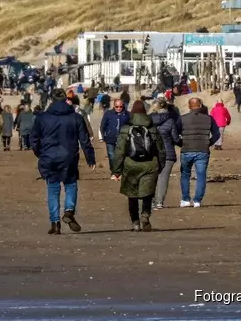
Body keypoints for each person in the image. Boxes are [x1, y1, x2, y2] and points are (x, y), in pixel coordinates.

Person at [30, 88, 96, 235]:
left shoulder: (42, 117)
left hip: (49, 157)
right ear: (65, 99)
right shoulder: (76, 117)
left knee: (53, 189)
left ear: (51, 99)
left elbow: (33, 138)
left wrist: (40, 153)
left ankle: (55, 223)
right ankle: (68, 211)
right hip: (69, 157)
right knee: (71, 185)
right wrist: (90, 158)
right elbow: (84, 140)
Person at [112, 101, 166, 231]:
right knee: (147, 194)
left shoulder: (125, 129)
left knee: (132, 195)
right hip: (150, 165)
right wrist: (160, 166)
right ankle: (145, 215)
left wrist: (116, 170)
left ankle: (135, 223)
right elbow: (161, 150)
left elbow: (119, 152)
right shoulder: (152, 129)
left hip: (130, 165)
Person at [178, 98, 220, 208]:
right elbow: (217, 134)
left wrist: (181, 143)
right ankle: (197, 200)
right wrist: (208, 143)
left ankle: (185, 199)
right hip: (202, 150)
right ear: (200, 106)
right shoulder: (209, 119)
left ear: (189, 106)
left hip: (186, 150)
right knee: (201, 176)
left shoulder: (182, 119)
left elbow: (174, 133)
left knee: (185, 175)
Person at [149, 97, 181, 210]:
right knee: (164, 178)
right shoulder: (171, 120)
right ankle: (159, 202)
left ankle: (151, 201)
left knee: (151, 178)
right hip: (168, 153)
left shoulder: (148, 120)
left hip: (151, 153)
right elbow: (176, 139)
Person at [99, 100, 129, 179]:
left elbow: (130, 126)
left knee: (121, 156)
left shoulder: (127, 114)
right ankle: (114, 172)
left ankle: (119, 172)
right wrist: (103, 136)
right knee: (111, 156)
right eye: (117, 107)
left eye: (120, 107)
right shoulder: (108, 114)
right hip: (110, 139)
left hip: (122, 139)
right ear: (114, 106)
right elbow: (102, 126)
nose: (119, 108)